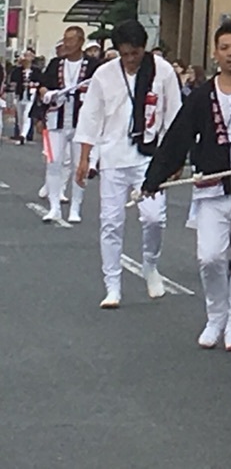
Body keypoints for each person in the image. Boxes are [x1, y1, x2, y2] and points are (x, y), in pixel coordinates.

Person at [142, 21, 231, 350]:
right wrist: (154, 177)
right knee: (210, 257)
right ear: (215, 53)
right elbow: (178, 137)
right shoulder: (201, 96)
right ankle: (215, 316)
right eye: (224, 48)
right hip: (210, 188)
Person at [74, 20, 182, 308]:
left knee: (153, 217)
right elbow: (91, 117)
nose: (130, 60)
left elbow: (174, 116)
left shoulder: (163, 71)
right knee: (111, 222)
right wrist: (85, 158)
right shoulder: (104, 75)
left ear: (144, 49)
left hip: (150, 156)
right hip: (112, 156)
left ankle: (150, 263)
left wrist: (175, 158)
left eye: (134, 53)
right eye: (124, 54)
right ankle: (112, 285)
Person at [37, 25, 91, 225]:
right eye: (65, 39)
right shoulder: (55, 64)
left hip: (81, 121)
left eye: (71, 40)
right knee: (53, 163)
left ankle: (76, 207)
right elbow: (42, 86)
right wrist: (47, 94)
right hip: (56, 120)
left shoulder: (92, 65)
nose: (67, 44)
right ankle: (54, 207)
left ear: (80, 42)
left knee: (79, 166)